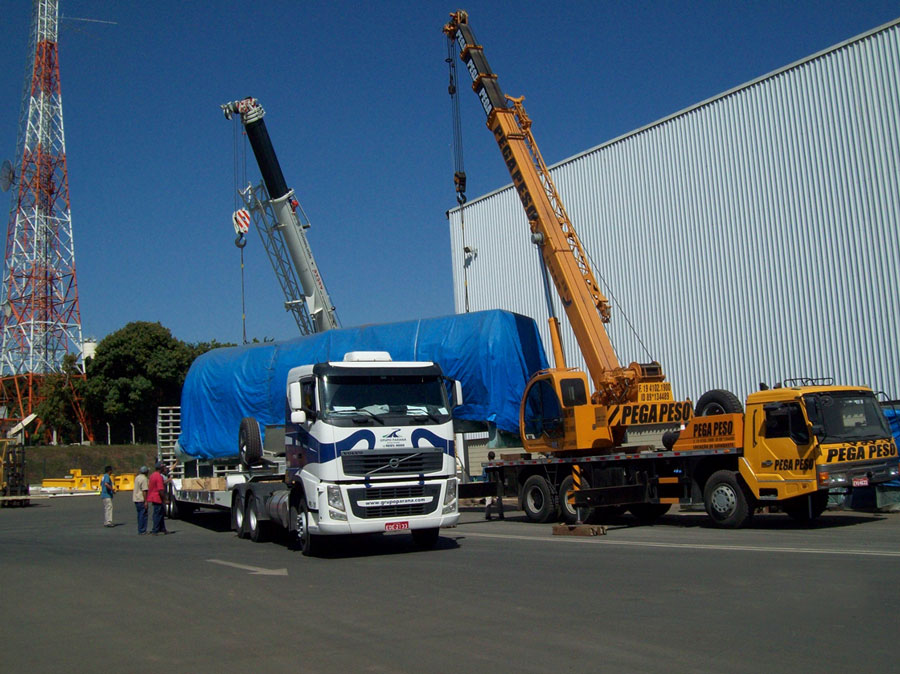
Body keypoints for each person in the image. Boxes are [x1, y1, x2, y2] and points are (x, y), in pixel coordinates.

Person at [147, 462, 169, 535]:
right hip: (157, 497)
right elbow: (160, 490)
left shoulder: (152, 475)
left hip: (153, 496)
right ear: (160, 468)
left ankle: (162, 528)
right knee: (158, 514)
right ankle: (155, 530)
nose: (164, 469)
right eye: (163, 467)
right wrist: (165, 499)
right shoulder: (159, 476)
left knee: (161, 513)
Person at [133, 465, 150, 535]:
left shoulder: (137, 477)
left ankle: (140, 528)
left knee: (139, 514)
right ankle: (142, 530)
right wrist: (146, 501)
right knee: (143, 515)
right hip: (141, 499)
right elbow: (144, 491)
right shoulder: (144, 479)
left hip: (136, 499)